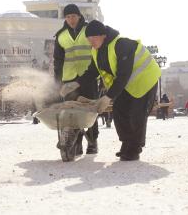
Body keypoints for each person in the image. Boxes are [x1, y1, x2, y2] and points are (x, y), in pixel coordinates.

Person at [61, 20, 161, 161]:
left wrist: (107, 97)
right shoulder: (97, 51)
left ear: (103, 35)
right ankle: (126, 144)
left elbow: (123, 74)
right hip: (126, 84)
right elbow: (92, 72)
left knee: (136, 113)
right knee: (119, 111)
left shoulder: (122, 44)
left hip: (145, 80)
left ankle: (134, 149)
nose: (91, 42)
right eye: (88, 39)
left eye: (93, 38)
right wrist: (75, 83)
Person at [54, 4, 99, 154]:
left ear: (79, 16)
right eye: (68, 17)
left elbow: (97, 51)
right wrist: (57, 82)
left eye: (73, 16)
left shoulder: (89, 30)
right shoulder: (60, 35)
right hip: (69, 79)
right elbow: (58, 61)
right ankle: (76, 142)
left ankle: (92, 141)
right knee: (72, 112)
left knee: (91, 109)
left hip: (88, 76)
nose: (71, 19)